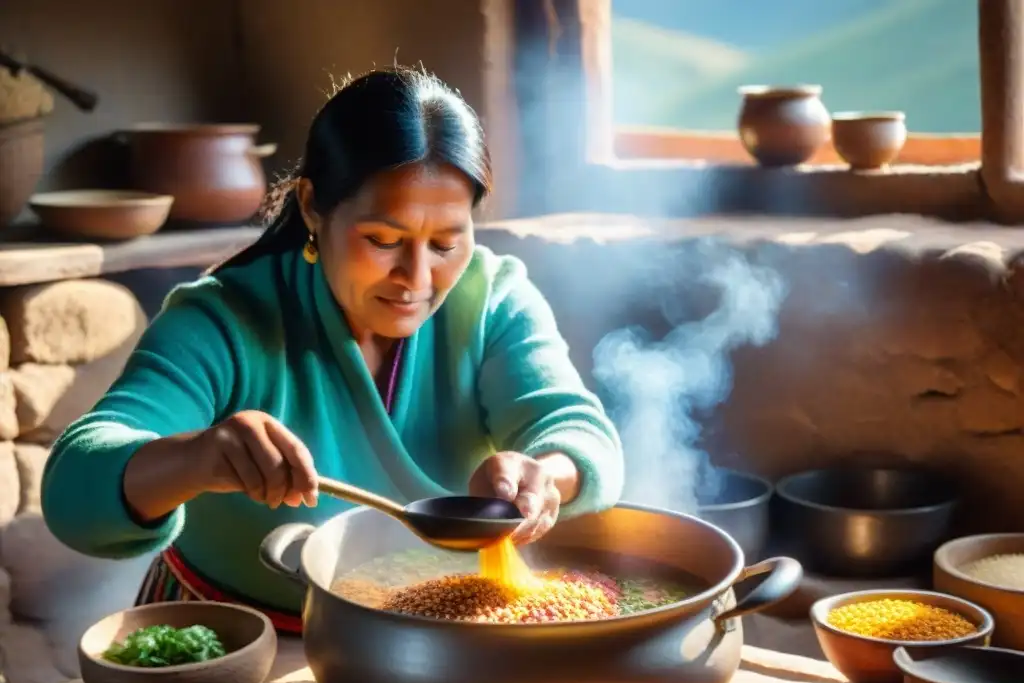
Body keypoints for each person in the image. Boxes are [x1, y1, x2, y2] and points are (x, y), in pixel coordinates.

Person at [41, 67, 624, 633]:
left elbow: (573, 427)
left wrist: (545, 472)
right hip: (229, 640)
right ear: (313, 206)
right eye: (384, 240)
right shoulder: (222, 320)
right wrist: (196, 457)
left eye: (446, 242)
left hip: (425, 637)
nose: (416, 278)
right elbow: (73, 490)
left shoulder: (494, 300)